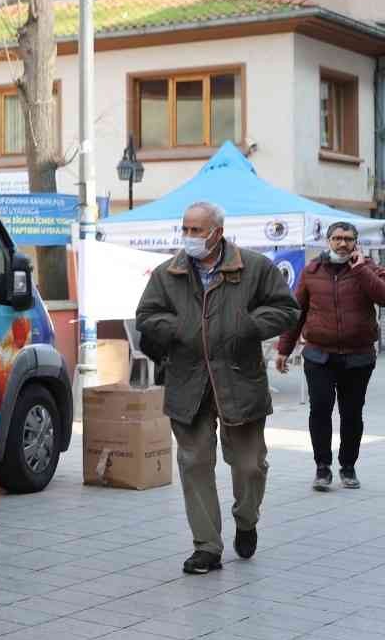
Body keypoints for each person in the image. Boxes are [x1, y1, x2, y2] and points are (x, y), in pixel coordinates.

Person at [138, 201, 300, 575]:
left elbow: (287, 309)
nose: (190, 237)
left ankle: (246, 519)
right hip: (188, 381)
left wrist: (246, 324)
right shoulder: (168, 273)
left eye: (198, 230)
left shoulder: (254, 267)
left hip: (240, 380)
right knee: (194, 464)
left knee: (250, 466)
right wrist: (178, 328)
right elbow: (147, 315)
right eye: (186, 229)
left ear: (218, 232)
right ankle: (207, 546)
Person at [277, 221, 385, 491]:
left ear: (356, 242)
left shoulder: (367, 268)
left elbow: (382, 296)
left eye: (348, 239)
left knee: (351, 414)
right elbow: (296, 313)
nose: (342, 243)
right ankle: (322, 468)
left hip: (357, 356)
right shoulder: (312, 271)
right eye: (337, 238)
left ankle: (348, 467)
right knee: (320, 410)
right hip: (319, 355)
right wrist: (283, 349)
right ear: (328, 241)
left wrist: (359, 268)